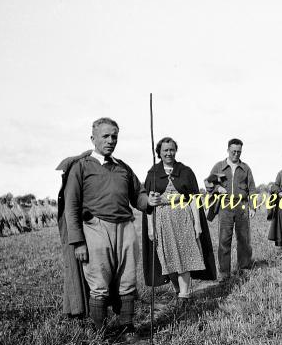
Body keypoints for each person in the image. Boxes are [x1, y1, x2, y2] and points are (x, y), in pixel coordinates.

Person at [63, 117, 159, 332]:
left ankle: (127, 328)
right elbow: (71, 207)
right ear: (93, 138)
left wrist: (148, 202)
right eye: (105, 136)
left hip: (125, 228)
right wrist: (78, 242)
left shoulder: (123, 168)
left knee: (128, 279)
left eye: (114, 136)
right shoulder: (81, 167)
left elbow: (138, 196)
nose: (110, 140)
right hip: (96, 228)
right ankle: (101, 334)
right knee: (99, 282)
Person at [141, 137, 217, 300]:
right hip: (163, 222)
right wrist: (150, 228)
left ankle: (184, 296)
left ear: (176, 151)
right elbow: (148, 205)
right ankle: (179, 291)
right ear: (159, 152)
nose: (169, 153)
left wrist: (197, 223)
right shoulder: (153, 173)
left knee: (184, 257)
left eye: (171, 149)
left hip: (184, 220)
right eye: (165, 150)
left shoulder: (185, 171)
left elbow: (194, 199)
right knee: (169, 260)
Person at [206, 138, 257, 281]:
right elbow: (208, 184)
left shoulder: (246, 168)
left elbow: (252, 189)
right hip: (225, 206)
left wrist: (253, 207)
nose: (236, 154)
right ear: (228, 150)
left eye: (239, 152)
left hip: (242, 206)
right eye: (233, 151)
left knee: (244, 240)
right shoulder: (219, 166)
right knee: (224, 240)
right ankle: (224, 273)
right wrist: (217, 188)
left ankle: (244, 268)